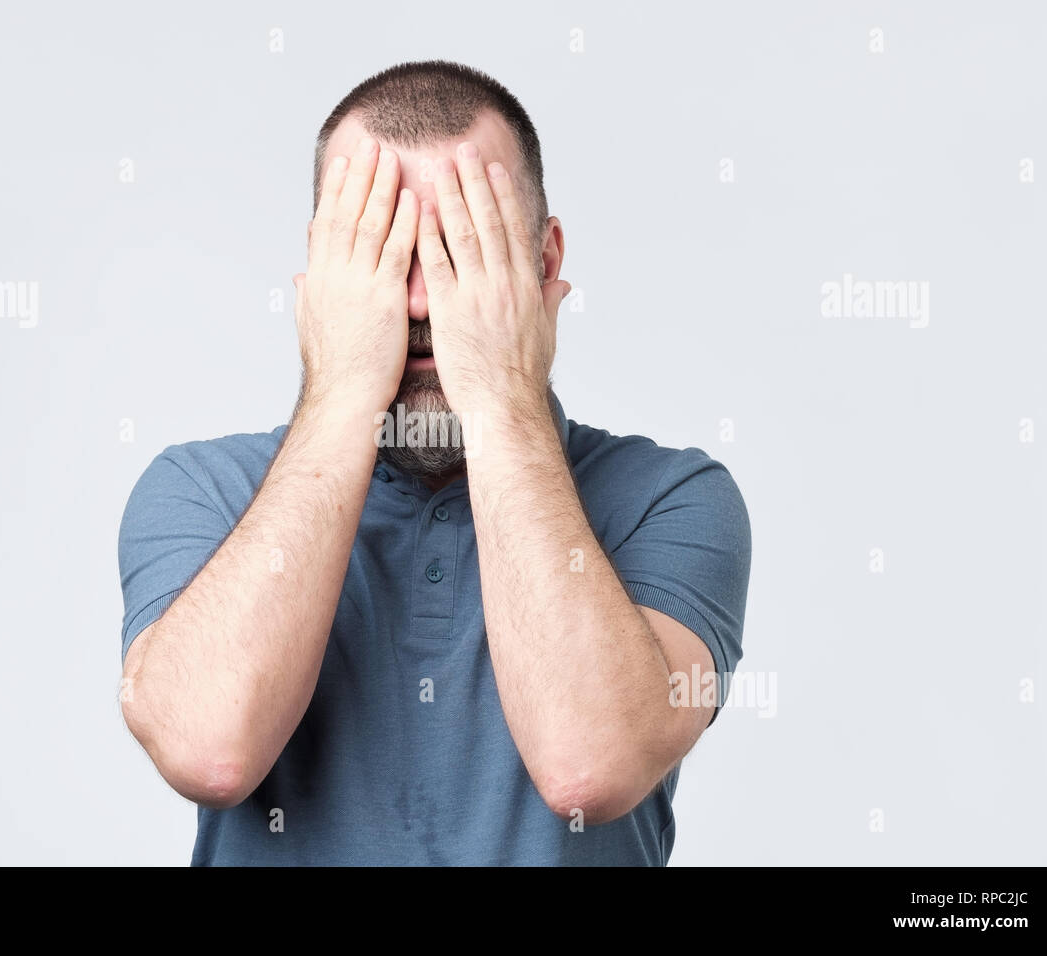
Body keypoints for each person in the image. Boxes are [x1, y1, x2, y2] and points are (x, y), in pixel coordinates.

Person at [117, 60, 752, 865]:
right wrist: (344, 390)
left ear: (545, 262)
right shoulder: (201, 492)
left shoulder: (672, 498)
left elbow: (590, 768)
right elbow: (212, 751)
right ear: (322, 275)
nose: (419, 301)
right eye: (380, 251)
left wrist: (499, 396)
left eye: (462, 249)